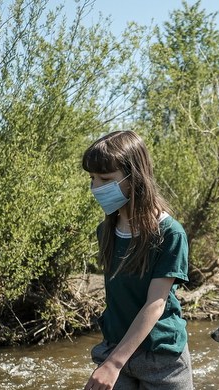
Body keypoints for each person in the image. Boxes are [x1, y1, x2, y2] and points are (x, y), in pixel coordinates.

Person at [81, 130, 193, 390]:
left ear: (134, 179)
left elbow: (155, 304)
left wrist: (113, 364)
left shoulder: (169, 232)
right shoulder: (106, 231)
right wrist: (112, 359)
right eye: (92, 178)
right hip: (116, 349)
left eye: (105, 179)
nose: (96, 187)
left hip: (162, 359)